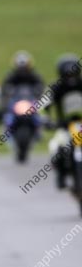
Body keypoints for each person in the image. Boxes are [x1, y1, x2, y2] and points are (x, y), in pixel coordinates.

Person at [47, 53, 82, 189]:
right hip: (64, 126)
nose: (70, 77)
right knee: (57, 147)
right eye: (67, 73)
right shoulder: (56, 88)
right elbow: (46, 105)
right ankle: (61, 175)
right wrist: (48, 120)